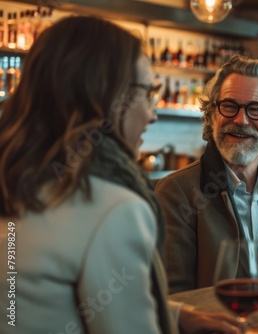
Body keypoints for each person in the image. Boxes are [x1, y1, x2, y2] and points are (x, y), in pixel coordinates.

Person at [0, 16, 240, 334]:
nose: (153, 113)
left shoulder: (20, 180)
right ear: (106, 96)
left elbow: (50, 299)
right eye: (147, 91)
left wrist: (176, 315)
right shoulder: (113, 207)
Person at [155, 54, 258, 293]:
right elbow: (174, 299)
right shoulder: (177, 192)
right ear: (213, 114)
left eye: (255, 109)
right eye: (229, 106)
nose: (240, 119)